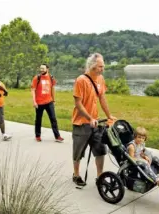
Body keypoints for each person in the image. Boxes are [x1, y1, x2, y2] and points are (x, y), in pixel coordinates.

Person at [72, 53, 117, 186]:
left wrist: (109, 116)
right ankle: (76, 175)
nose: (102, 69)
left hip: (96, 123)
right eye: (100, 66)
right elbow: (78, 104)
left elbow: (102, 98)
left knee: (100, 150)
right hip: (81, 123)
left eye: (103, 66)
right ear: (92, 66)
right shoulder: (81, 80)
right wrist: (89, 118)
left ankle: (100, 177)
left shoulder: (100, 79)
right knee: (78, 152)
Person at [31, 64, 64, 142]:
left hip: (49, 102)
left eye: (43, 68)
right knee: (38, 120)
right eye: (40, 68)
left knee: (53, 119)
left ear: (47, 69)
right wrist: (34, 101)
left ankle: (57, 136)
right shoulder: (37, 78)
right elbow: (33, 90)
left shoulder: (51, 78)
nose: (41, 70)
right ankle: (38, 136)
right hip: (39, 103)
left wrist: (53, 99)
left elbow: (52, 89)